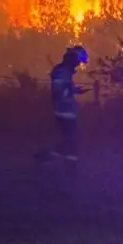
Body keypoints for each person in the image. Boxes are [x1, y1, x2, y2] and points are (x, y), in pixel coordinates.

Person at [35, 45, 91, 175]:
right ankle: (48, 158)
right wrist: (69, 93)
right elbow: (59, 91)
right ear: (72, 59)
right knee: (70, 141)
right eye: (78, 61)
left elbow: (64, 88)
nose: (78, 64)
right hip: (64, 113)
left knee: (70, 141)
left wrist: (76, 90)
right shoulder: (62, 72)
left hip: (67, 112)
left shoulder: (64, 71)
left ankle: (65, 166)